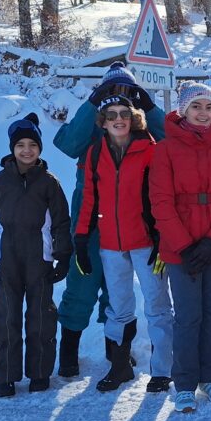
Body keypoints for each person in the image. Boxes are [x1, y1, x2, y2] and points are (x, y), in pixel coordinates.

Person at [53, 62, 165, 378]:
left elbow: (171, 140)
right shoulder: (96, 125)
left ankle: (115, 352)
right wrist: (93, 103)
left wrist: (147, 104)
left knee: (116, 290)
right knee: (82, 283)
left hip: (132, 218)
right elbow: (67, 144)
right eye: (111, 93)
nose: (118, 102)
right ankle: (69, 353)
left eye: (124, 93)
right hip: (90, 216)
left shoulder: (140, 129)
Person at [152, 82, 211, 414]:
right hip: (182, 250)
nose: (203, 113)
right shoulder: (164, 150)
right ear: (183, 111)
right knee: (188, 316)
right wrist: (186, 246)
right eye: (197, 107)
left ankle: (210, 377)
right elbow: (161, 202)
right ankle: (184, 383)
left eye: (208, 107)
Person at [75, 95, 173, 394]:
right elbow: (89, 198)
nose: (118, 119)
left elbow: (161, 196)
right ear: (103, 121)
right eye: (111, 114)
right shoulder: (94, 154)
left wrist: (162, 238)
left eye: (124, 114)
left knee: (157, 307)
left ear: (134, 119)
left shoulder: (150, 150)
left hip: (145, 242)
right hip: (111, 244)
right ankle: (119, 366)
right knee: (118, 309)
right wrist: (81, 237)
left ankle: (162, 371)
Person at [0, 112, 71, 397]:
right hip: (7, 259)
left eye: (32, 144)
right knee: (6, 317)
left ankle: (39, 372)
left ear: (40, 149)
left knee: (41, 316)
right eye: (20, 145)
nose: (26, 150)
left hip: (39, 259)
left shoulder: (49, 183)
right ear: (12, 149)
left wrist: (63, 256)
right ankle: (5, 376)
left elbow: (61, 222)